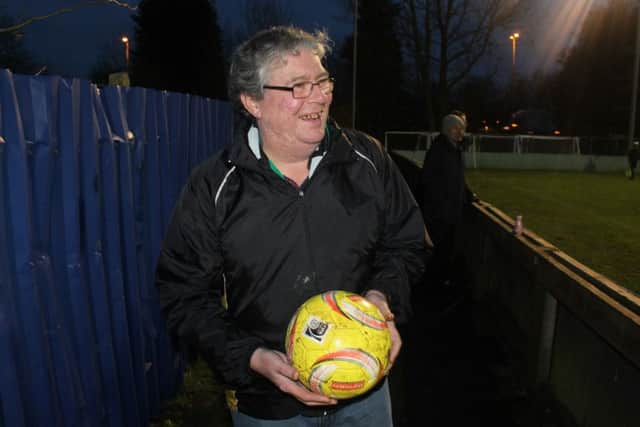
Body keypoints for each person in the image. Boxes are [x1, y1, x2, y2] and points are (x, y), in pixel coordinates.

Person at [155, 26, 428, 426]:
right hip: (268, 407)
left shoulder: (367, 159)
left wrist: (383, 298)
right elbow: (183, 293)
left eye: (322, 80)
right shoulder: (214, 186)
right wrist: (250, 358)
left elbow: (407, 244)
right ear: (253, 102)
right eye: (298, 86)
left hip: (364, 393)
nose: (319, 96)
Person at [419, 111, 476, 289]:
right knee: (438, 252)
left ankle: (438, 283)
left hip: (449, 214)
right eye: (456, 129)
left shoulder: (454, 150)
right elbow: (427, 183)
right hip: (440, 217)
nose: (461, 133)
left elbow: (458, 179)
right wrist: (438, 211)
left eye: (462, 129)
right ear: (447, 130)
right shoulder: (439, 151)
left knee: (446, 252)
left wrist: (468, 194)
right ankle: (432, 288)